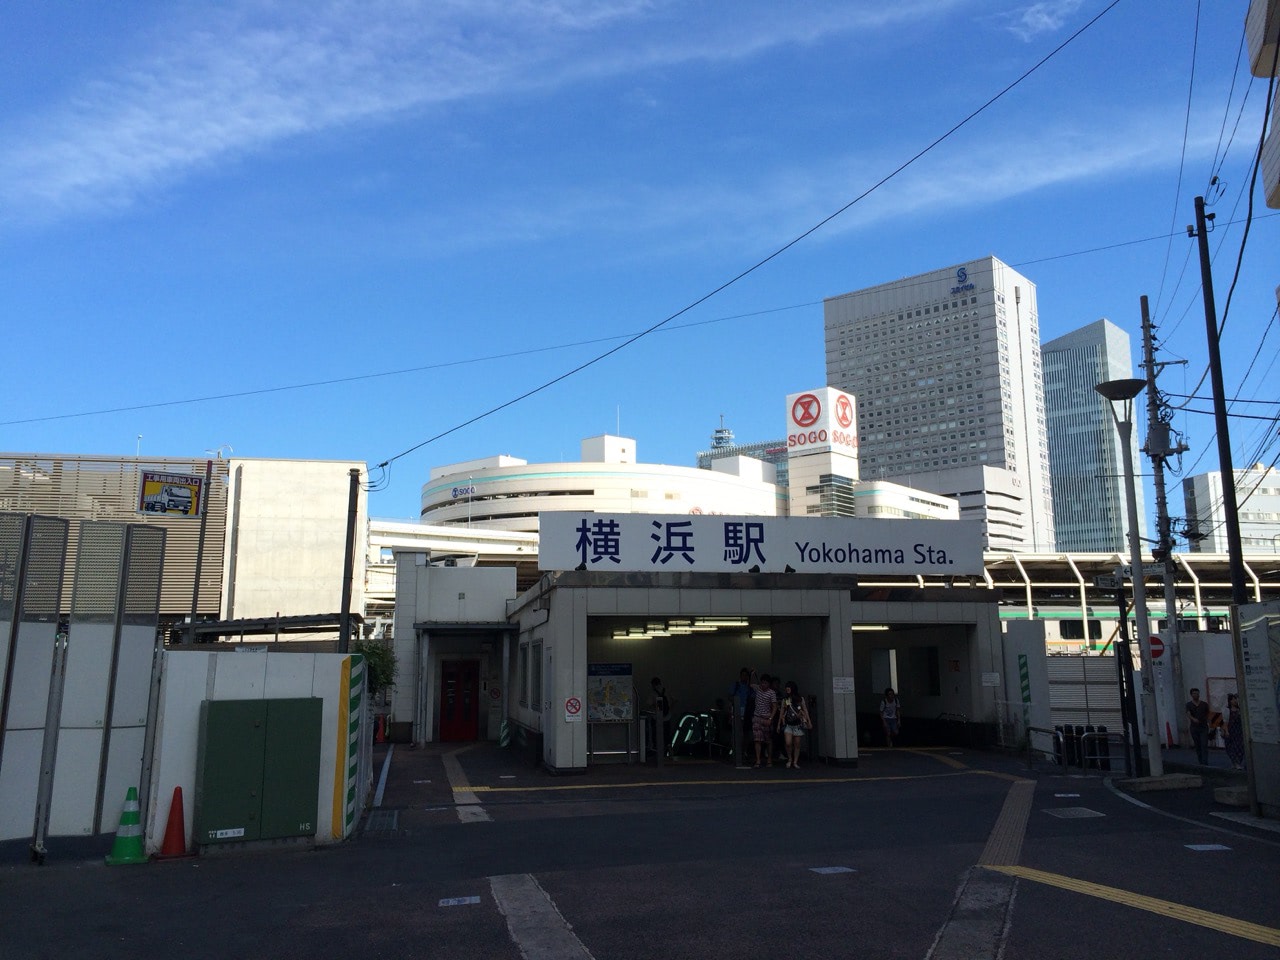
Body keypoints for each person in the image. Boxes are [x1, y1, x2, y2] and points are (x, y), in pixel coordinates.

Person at [776, 681, 812, 769]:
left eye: (789, 687)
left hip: (797, 724)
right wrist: (778, 724)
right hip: (788, 724)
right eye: (786, 687)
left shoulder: (800, 699)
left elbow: (805, 710)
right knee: (788, 743)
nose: (787, 689)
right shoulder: (786, 699)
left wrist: (809, 722)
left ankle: (795, 761)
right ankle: (789, 759)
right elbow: (782, 712)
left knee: (797, 743)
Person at [728, 667, 756, 763]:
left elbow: (754, 698)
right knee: (737, 732)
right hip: (737, 710)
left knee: (747, 733)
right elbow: (730, 697)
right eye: (743, 675)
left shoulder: (750, 689)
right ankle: (735, 751)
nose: (744, 677)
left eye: (746, 676)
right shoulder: (735, 685)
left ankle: (744, 751)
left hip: (747, 711)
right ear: (740, 676)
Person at [751, 674, 778, 767]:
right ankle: (758, 760)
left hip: (767, 718)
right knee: (757, 740)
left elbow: (774, 707)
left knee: (768, 740)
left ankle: (769, 759)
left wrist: (771, 718)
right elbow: (750, 684)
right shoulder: (757, 688)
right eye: (762, 683)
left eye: (765, 683)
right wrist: (753, 674)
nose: (763, 685)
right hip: (757, 717)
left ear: (769, 684)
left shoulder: (772, 693)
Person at [1186, 687, 1210, 765]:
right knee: (1198, 745)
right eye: (1194, 694)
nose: (1196, 695)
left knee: (1204, 744)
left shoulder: (1204, 704)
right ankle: (1200, 761)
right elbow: (1188, 714)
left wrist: (1211, 724)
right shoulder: (1189, 705)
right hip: (1194, 727)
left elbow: (1208, 714)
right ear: (1191, 695)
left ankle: (1205, 762)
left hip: (1203, 727)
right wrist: (1193, 719)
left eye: (1197, 693)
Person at [1224, 692, 1245, 770]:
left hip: (1239, 731)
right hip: (1231, 730)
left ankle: (1238, 762)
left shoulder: (1240, 710)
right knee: (1231, 747)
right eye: (1232, 699)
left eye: (1235, 699)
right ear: (1229, 701)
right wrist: (1226, 731)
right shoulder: (1227, 710)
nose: (1234, 701)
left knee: (1240, 747)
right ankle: (1235, 763)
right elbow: (1225, 722)